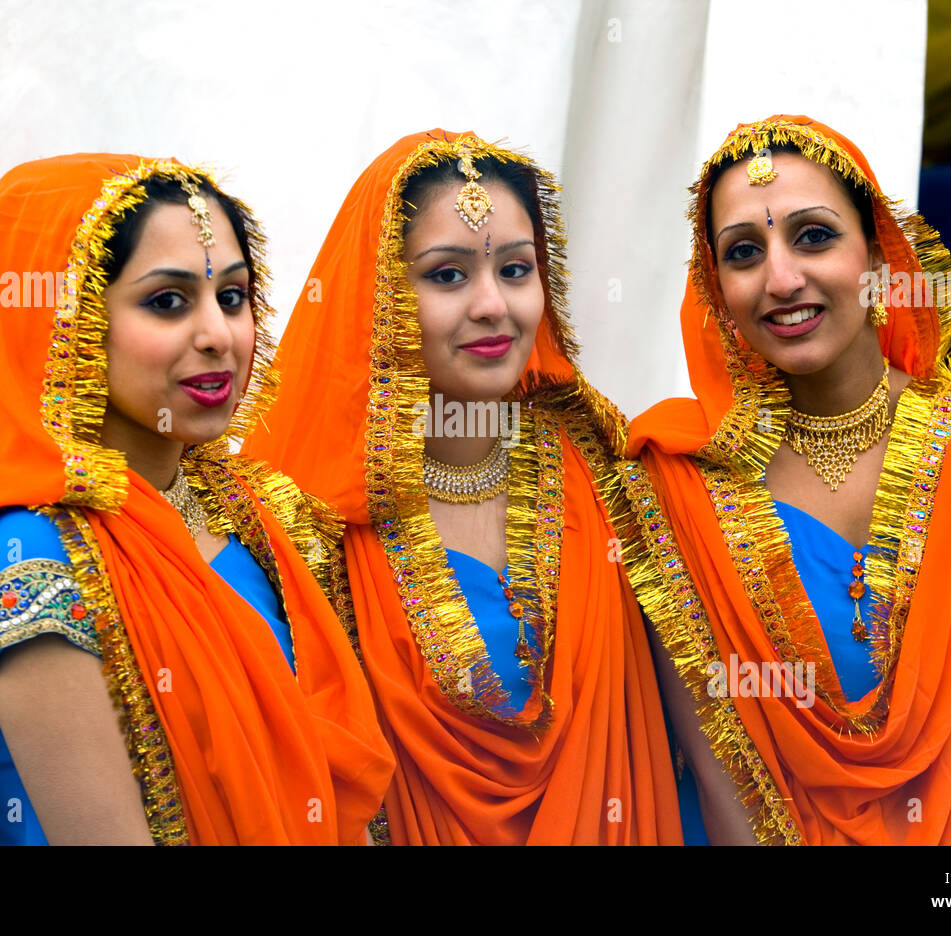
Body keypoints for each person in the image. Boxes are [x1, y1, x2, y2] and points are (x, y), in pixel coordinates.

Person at [0, 154, 393, 845]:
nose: (219, 335)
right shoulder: (32, 564)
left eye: (232, 297)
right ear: (66, 321)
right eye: (168, 302)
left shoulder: (248, 513)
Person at [622, 115, 951, 845]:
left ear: (877, 253)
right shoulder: (677, 484)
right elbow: (725, 778)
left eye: (813, 236)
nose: (782, 279)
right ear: (717, 288)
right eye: (744, 252)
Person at [247, 130, 682, 844]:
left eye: (515, 270)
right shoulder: (312, 517)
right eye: (447, 276)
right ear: (380, 294)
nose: (492, 306)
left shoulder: (603, 464)